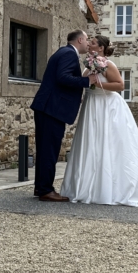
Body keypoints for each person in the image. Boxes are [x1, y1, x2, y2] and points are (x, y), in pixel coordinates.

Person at [60, 34, 138, 207]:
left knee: (109, 144)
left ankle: (111, 188)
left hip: (106, 107)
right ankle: (86, 186)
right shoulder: (88, 65)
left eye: (93, 43)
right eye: (89, 42)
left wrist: (97, 85)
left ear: (101, 48)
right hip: (91, 106)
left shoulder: (107, 64)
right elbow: (83, 83)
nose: (89, 44)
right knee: (90, 144)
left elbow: (120, 85)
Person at [30, 30, 99, 201]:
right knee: (49, 150)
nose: (88, 43)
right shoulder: (69, 54)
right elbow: (63, 77)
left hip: (48, 108)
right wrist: (87, 81)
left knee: (45, 149)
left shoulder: (64, 52)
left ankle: (41, 187)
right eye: (87, 40)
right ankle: (46, 190)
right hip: (52, 109)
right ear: (80, 40)